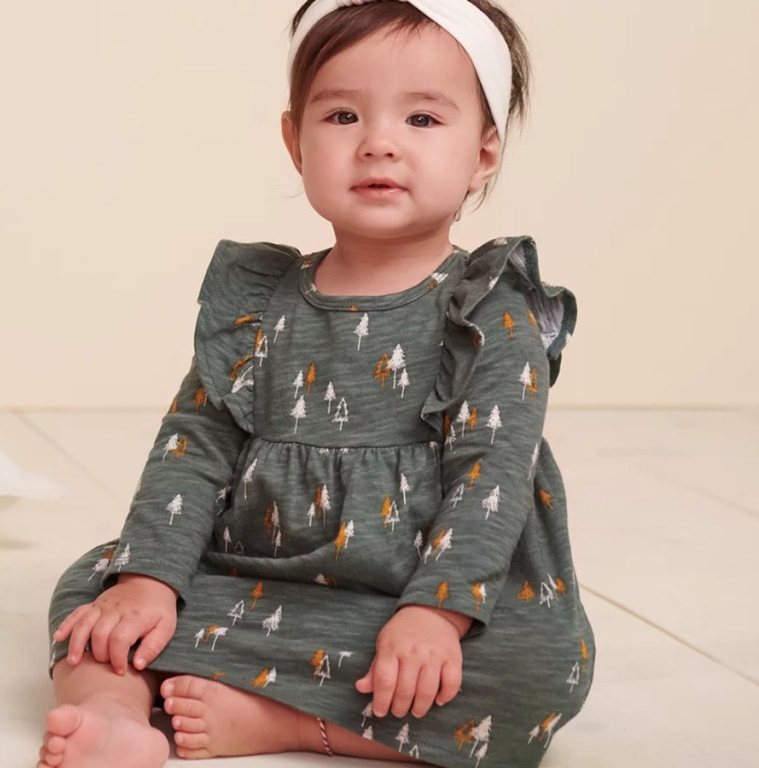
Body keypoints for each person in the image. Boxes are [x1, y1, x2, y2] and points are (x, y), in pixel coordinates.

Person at [38, 1, 595, 766]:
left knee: (538, 665)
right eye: (341, 115)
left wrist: (437, 615)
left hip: (420, 604)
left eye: (424, 121)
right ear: (294, 139)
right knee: (97, 589)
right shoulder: (258, 306)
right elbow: (192, 449)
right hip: (264, 582)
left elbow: (489, 479)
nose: (378, 145)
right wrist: (150, 582)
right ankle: (114, 711)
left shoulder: (489, 312)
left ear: (485, 151)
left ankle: (289, 724)